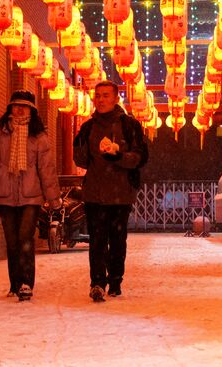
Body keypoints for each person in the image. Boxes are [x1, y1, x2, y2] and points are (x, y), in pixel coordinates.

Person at [0, 90, 62, 301]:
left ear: (31, 110)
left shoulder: (39, 137)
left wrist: (53, 197)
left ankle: (26, 283)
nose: (19, 109)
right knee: (12, 240)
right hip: (4, 193)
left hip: (31, 195)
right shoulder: (1, 131)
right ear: (10, 108)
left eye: (24, 106)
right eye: (16, 106)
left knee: (25, 237)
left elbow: (47, 169)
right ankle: (14, 283)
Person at [73, 80, 147, 302]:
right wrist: (82, 147)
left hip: (121, 194)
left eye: (106, 95)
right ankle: (97, 282)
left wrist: (119, 156)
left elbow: (140, 157)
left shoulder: (129, 126)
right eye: (98, 96)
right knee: (96, 240)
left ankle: (115, 280)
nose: (101, 100)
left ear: (116, 98)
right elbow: (82, 160)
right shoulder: (88, 127)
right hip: (94, 193)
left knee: (117, 240)